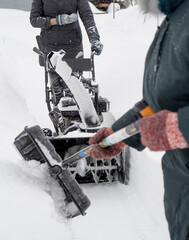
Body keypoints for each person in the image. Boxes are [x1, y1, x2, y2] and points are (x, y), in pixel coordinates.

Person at [88, 0, 189, 239]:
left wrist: (172, 128)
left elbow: (167, 120)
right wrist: (119, 135)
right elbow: (159, 104)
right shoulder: (173, 19)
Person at [30, 0, 103, 106]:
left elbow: (86, 15)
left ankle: (77, 117)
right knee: (57, 92)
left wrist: (94, 38)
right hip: (51, 47)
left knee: (73, 89)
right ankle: (59, 117)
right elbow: (34, 19)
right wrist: (55, 21)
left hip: (73, 45)